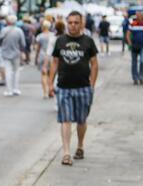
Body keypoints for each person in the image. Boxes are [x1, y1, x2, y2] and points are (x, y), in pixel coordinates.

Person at [49, 11, 98, 166]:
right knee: (66, 119)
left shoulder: (88, 41)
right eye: (70, 22)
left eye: (76, 22)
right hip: (64, 87)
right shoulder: (60, 41)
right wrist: (50, 83)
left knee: (82, 120)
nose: (73, 26)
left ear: (81, 23)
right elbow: (55, 62)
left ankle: (80, 145)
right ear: (66, 23)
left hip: (83, 86)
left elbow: (95, 63)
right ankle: (66, 153)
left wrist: (92, 85)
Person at [0, 15, 25, 97]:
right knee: (16, 71)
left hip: (6, 53)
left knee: (8, 71)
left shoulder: (4, 30)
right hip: (16, 53)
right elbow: (23, 43)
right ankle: (16, 89)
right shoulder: (19, 31)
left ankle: (9, 90)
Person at [126, 10, 143, 85]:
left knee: (142, 61)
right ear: (136, 16)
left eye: (140, 15)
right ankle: (135, 78)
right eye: (138, 15)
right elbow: (128, 35)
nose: (139, 17)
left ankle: (141, 77)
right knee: (134, 63)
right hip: (134, 46)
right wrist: (130, 44)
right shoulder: (133, 24)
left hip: (142, 46)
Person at [35, 20, 55, 98]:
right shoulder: (53, 35)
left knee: (43, 74)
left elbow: (38, 48)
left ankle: (45, 92)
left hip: (42, 55)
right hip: (51, 56)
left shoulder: (40, 36)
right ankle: (50, 90)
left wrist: (36, 57)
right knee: (51, 74)